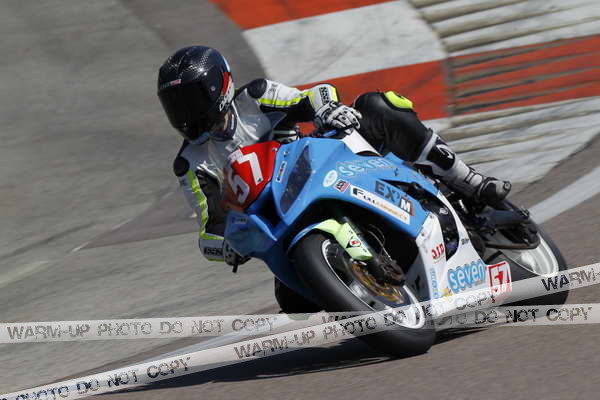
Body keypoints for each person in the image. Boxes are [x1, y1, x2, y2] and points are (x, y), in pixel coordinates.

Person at [157, 46, 511, 266]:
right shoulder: (190, 163)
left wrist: (328, 109)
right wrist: (227, 247)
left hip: (319, 170)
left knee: (378, 106)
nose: (185, 114)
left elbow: (310, 97)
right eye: (175, 106)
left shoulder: (256, 97)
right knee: (293, 302)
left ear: (219, 87)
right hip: (280, 225)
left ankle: (469, 181)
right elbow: (210, 230)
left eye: (191, 100)